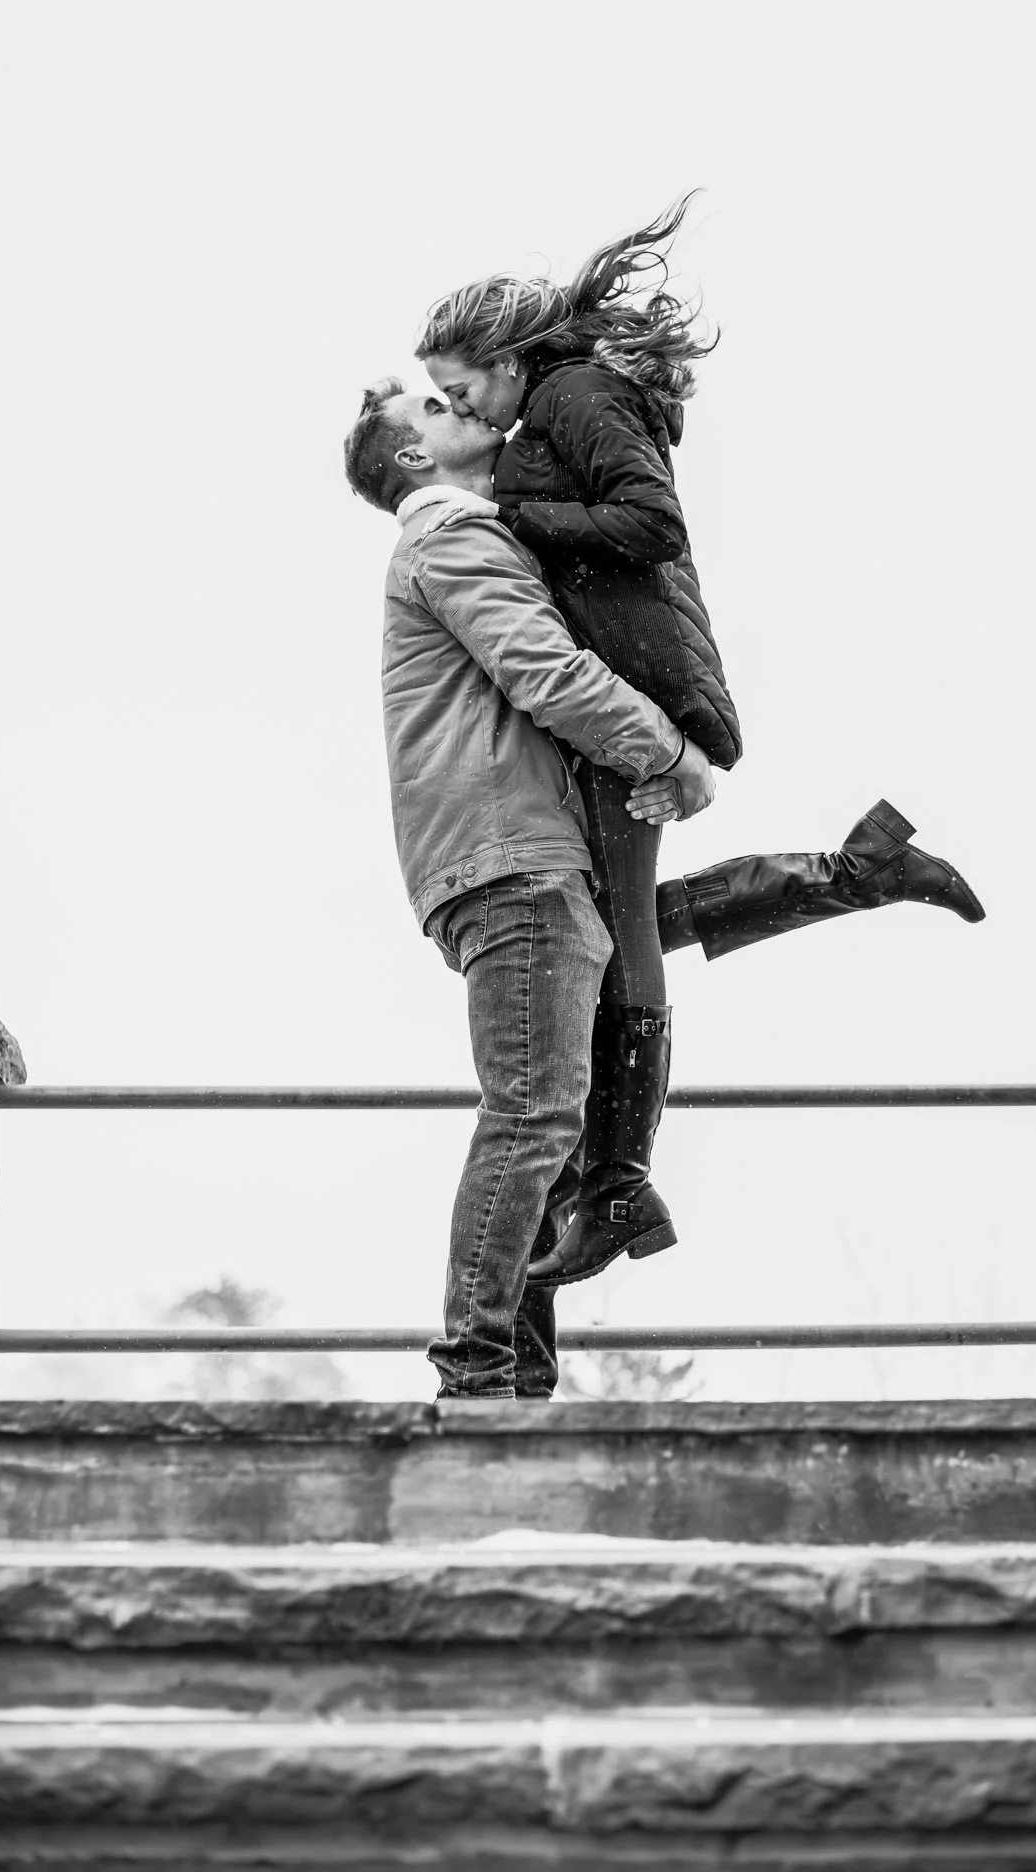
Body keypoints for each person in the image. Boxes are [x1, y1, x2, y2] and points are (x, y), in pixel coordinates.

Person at [412, 199, 984, 1297]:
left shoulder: (573, 396)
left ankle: (620, 1180)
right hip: (639, 691)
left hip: (641, 696)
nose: (459, 404)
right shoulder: (561, 408)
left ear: (503, 357)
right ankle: (855, 872)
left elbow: (652, 523)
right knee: (606, 939)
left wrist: (520, 524)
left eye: (460, 382)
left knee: (613, 943)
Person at [344, 377, 712, 1398]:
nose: (452, 401)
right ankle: (475, 1376)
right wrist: (668, 753)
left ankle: (521, 1379)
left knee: (546, 1122)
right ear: (411, 456)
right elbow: (544, 668)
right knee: (534, 1113)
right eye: (429, 405)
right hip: (512, 858)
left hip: (518, 852)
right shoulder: (451, 538)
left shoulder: (467, 532)